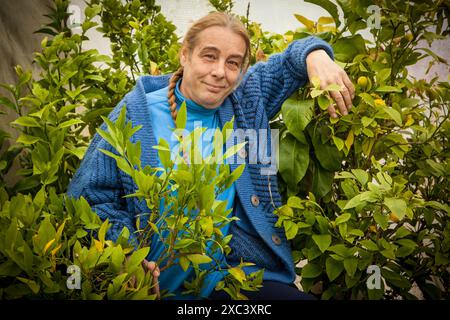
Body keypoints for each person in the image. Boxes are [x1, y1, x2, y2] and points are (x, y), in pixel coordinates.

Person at [67, 11, 354, 300]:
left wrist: (317, 55)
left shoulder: (245, 99)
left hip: (228, 280)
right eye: (209, 56)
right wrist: (126, 252)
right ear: (184, 56)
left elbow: (290, 62)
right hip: (154, 289)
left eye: (232, 63)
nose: (220, 71)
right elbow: (88, 197)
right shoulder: (136, 112)